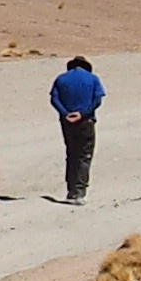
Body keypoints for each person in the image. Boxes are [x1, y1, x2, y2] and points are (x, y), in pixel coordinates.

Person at [49, 54, 104, 203]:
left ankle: (71, 190)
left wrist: (66, 113)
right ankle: (80, 192)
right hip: (86, 121)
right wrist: (83, 114)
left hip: (67, 122)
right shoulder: (93, 79)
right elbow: (97, 99)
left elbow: (54, 99)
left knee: (71, 153)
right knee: (84, 155)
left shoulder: (61, 79)